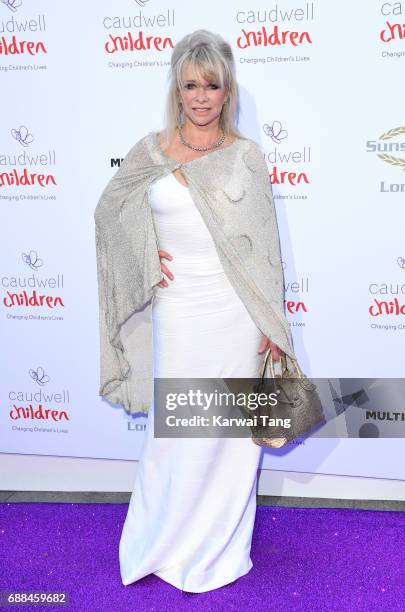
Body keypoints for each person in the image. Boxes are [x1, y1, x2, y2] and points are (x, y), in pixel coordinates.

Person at [98, 29, 292, 592]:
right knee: (177, 430)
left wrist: (270, 325)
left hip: (236, 314)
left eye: (213, 84)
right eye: (191, 85)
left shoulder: (247, 157)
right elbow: (110, 211)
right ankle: (160, 541)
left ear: (228, 91)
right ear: (177, 90)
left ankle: (217, 548)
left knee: (228, 438)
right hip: (179, 310)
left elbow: (267, 250)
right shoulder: (151, 151)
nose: (202, 96)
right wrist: (141, 248)